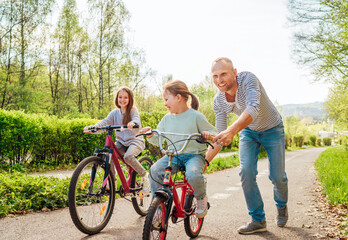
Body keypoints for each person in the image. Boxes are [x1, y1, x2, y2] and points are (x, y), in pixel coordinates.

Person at [206, 57, 288, 234]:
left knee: (277, 176)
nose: (219, 80)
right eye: (215, 76)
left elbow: (253, 108)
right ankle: (258, 220)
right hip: (248, 131)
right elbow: (220, 135)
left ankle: (281, 206)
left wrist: (232, 131)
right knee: (246, 172)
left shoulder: (248, 79)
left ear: (234, 73)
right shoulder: (218, 101)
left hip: (273, 128)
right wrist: (204, 163)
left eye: (223, 74)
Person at [141, 80, 217, 218]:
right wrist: (150, 134)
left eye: (166, 99)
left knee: (193, 174)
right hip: (173, 156)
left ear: (178, 97)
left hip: (194, 156)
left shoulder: (196, 116)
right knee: (154, 171)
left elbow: (214, 134)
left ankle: (201, 197)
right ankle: (160, 205)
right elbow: (157, 139)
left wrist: (207, 135)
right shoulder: (166, 119)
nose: (165, 104)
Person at [84, 86, 149, 191]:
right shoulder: (114, 113)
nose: (122, 100)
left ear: (130, 99)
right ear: (117, 98)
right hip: (122, 142)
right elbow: (104, 123)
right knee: (109, 154)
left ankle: (145, 175)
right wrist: (93, 128)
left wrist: (133, 123)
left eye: (125, 98)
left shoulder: (132, 110)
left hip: (135, 141)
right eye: (120, 97)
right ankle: (112, 182)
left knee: (128, 157)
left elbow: (136, 119)